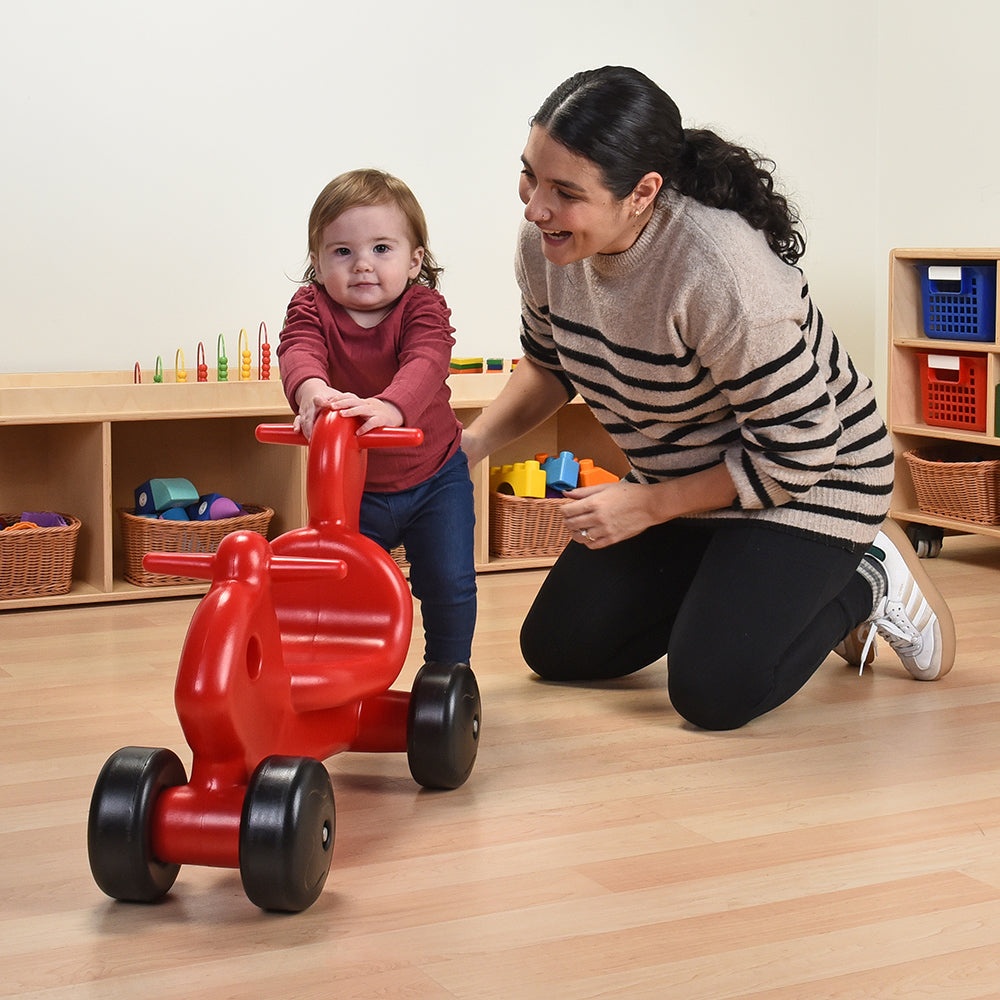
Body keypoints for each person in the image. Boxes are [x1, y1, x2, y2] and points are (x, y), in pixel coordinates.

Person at [461, 66, 956, 730]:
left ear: (642, 193)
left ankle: (867, 575)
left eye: (564, 191)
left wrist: (649, 504)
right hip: (695, 478)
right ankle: (740, 577)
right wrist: (470, 444)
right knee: (557, 649)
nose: (535, 207)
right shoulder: (548, 243)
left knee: (714, 691)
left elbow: (800, 450)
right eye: (530, 175)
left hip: (816, 478)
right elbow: (550, 365)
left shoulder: (722, 273)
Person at [277, 168, 476, 665]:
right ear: (318, 265)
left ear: (415, 261)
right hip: (353, 485)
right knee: (341, 584)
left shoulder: (423, 306)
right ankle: (345, 672)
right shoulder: (310, 305)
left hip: (434, 476)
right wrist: (312, 392)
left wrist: (391, 406)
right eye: (342, 251)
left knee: (449, 582)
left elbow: (428, 359)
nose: (363, 264)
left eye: (381, 249)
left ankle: (449, 674)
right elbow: (298, 349)